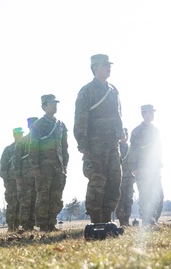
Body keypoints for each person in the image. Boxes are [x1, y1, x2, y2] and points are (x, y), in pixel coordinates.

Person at [73, 54, 123, 225]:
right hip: (95, 146)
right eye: (104, 65)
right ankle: (96, 221)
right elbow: (80, 119)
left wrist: (121, 135)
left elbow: (118, 115)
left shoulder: (113, 90)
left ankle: (107, 219)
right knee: (97, 181)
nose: (109, 67)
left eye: (109, 65)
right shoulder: (86, 91)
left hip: (112, 145)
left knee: (115, 180)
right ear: (95, 68)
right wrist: (83, 144)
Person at [32, 95, 68, 231]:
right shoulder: (38, 125)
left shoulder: (60, 125)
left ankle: (52, 222)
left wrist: (65, 165)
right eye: (52, 103)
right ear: (44, 106)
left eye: (56, 103)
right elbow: (33, 146)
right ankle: (43, 225)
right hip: (44, 167)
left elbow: (64, 147)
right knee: (43, 196)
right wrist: (35, 166)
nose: (55, 105)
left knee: (56, 195)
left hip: (58, 167)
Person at [127, 104, 163, 226]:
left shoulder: (156, 130)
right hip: (142, 168)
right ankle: (147, 221)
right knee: (145, 194)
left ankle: (154, 219)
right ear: (143, 114)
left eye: (153, 112)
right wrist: (134, 167)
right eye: (149, 112)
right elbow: (133, 150)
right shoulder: (137, 131)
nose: (152, 114)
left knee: (157, 194)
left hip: (154, 167)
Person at [13, 116, 39, 232]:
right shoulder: (22, 141)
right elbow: (16, 159)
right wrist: (18, 176)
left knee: (35, 200)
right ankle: (25, 226)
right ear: (29, 126)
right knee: (25, 201)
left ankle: (32, 225)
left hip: (37, 176)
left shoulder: (41, 139)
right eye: (33, 124)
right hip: (25, 176)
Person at [0, 128, 23, 232]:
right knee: (12, 204)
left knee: (23, 204)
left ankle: (21, 226)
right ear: (14, 135)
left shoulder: (26, 148)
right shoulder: (8, 149)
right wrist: (5, 181)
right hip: (11, 181)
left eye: (20, 134)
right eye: (17, 134)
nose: (19, 136)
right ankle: (11, 227)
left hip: (24, 180)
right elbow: (3, 166)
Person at [115, 128, 134, 226]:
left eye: (126, 134)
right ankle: (122, 221)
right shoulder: (116, 147)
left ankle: (127, 220)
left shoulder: (130, 147)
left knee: (129, 200)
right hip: (120, 177)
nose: (124, 137)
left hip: (129, 177)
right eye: (123, 135)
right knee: (120, 200)